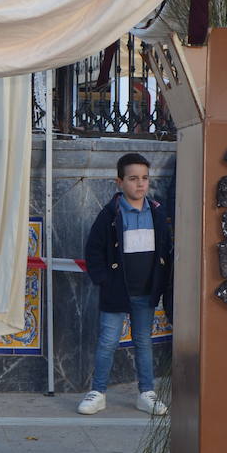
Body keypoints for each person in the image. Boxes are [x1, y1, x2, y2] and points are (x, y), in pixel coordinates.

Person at [77, 152, 173, 417]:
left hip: (146, 293)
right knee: (108, 341)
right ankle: (98, 392)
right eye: (132, 179)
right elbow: (93, 251)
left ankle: (146, 393)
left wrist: (162, 282)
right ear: (119, 182)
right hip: (117, 292)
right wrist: (104, 280)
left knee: (143, 341)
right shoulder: (109, 215)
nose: (139, 184)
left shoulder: (156, 213)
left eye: (144, 178)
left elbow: (165, 249)